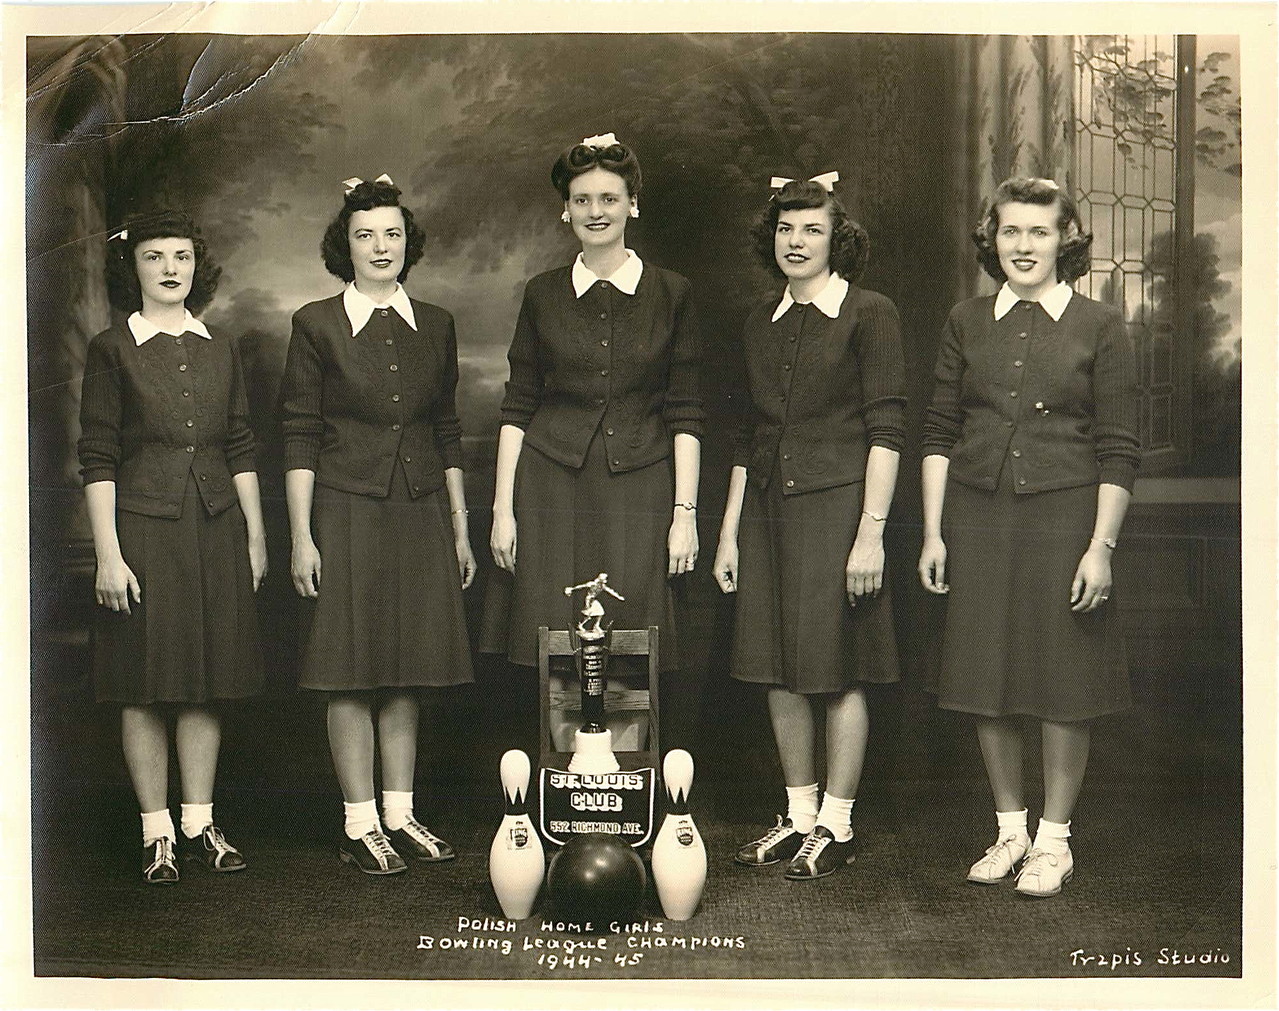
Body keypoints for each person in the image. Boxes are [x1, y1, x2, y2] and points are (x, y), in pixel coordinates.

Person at [918, 175, 1140, 898]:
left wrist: (1099, 547)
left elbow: (1117, 447)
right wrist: (931, 533)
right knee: (986, 676)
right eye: (1010, 231)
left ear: (1066, 240)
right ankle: (1010, 827)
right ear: (992, 239)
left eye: (1038, 231)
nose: (1022, 244)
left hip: (1065, 518)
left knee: (1061, 680)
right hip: (977, 516)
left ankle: (1053, 841)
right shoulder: (964, 319)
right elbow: (938, 434)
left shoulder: (1100, 325)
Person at [480, 133, 703, 751]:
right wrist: (503, 510)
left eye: (610, 197)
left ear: (634, 204)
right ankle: (563, 792)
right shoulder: (542, 294)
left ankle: (624, 789)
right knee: (555, 636)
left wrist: (684, 514)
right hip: (551, 489)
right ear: (566, 210)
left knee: (631, 635)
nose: (596, 211)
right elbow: (518, 407)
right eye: (582, 200)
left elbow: (686, 411)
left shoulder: (673, 293)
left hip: (643, 487)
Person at [282, 175, 476, 877]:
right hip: (345, 509)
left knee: (407, 670)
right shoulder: (315, 324)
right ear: (346, 245)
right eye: (365, 234)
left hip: (420, 510)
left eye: (392, 233)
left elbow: (448, 430)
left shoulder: (439, 324)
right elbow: (299, 434)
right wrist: (302, 536)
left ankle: (400, 812)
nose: (380, 246)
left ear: (408, 242)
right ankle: (359, 823)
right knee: (349, 671)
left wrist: (458, 528)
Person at [713, 174, 906, 880]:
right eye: (785, 229)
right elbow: (745, 436)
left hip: (839, 509)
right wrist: (730, 531)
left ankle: (837, 821)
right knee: (775, 664)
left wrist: (870, 532)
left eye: (811, 229)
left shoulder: (869, 312)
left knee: (839, 665)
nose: (795, 242)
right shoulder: (757, 320)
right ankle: (796, 816)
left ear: (837, 240)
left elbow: (887, 429)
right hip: (765, 510)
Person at [79, 210, 267, 884]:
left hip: (215, 526)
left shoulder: (220, 346)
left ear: (197, 265)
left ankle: (200, 821)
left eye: (181, 256)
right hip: (142, 530)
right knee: (141, 682)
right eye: (154, 256)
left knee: (204, 681)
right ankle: (156, 832)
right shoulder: (112, 348)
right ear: (133, 269)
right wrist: (108, 552)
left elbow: (240, 441)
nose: (169, 268)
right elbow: (97, 453)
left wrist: (255, 534)